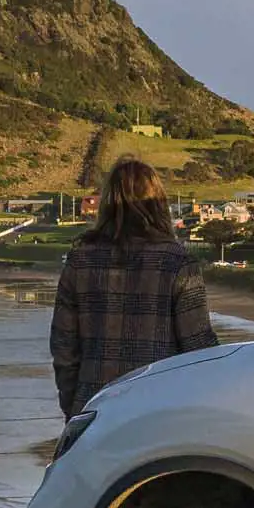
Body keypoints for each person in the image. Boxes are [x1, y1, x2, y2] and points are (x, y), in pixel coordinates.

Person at [50, 158, 218, 418]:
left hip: (93, 411)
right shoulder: (177, 262)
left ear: (107, 203)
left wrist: (74, 409)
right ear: (159, 203)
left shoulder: (79, 261)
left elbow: (63, 349)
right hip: (160, 413)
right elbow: (200, 351)